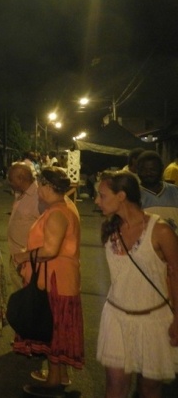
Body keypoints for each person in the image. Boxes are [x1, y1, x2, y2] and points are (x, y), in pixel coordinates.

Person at [95, 170, 178, 398]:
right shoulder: (110, 228)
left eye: (102, 195)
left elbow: (175, 273)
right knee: (115, 385)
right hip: (116, 317)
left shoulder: (160, 230)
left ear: (121, 196)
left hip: (154, 321)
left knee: (149, 388)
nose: (97, 201)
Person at [12, 167, 84, 394]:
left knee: (53, 328)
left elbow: (50, 250)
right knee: (58, 328)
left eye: (40, 185)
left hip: (54, 280)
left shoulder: (57, 213)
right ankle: (59, 375)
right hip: (59, 278)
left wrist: (24, 256)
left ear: (47, 186)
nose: (38, 190)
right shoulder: (61, 208)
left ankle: (53, 382)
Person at [7, 162, 43, 291]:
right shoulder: (20, 193)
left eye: (11, 180)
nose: (9, 183)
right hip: (16, 254)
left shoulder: (38, 197)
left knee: (25, 294)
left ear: (21, 179)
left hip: (26, 258)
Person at [136, 150, 178, 231]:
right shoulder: (133, 195)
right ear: (138, 170)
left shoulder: (175, 191)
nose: (148, 173)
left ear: (161, 169)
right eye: (144, 170)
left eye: (153, 169)